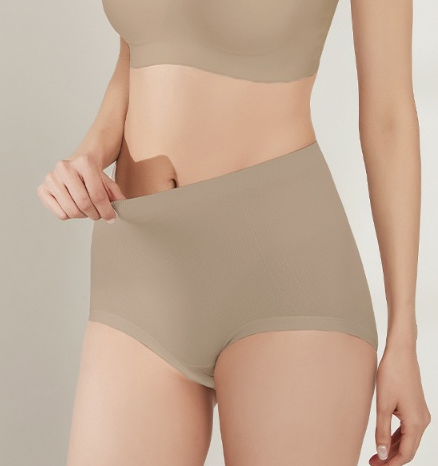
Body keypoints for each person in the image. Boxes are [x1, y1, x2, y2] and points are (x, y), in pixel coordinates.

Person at [37, 0, 431, 464]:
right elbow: (139, 48)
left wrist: (403, 336)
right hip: (138, 261)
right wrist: (87, 154)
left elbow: (389, 118)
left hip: (284, 273)